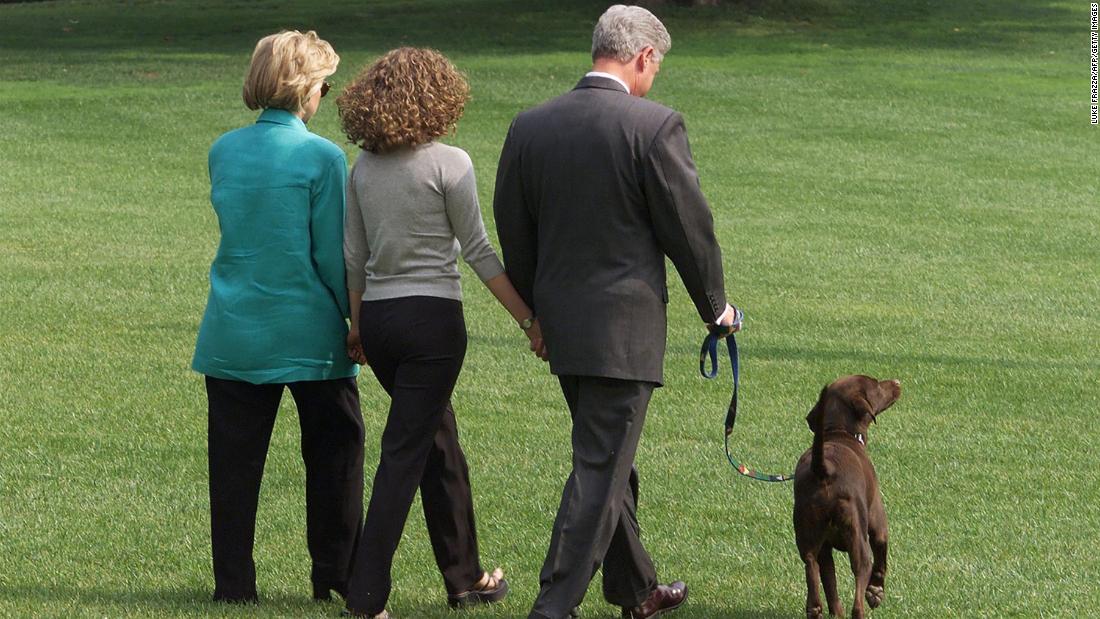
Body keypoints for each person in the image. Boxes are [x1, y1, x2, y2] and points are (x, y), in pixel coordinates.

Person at [492, 6, 741, 619]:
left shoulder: (531, 125)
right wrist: (717, 310)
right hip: (623, 334)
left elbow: (512, 226)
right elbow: (690, 229)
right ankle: (553, 605)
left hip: (563, 329)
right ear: (644, 57)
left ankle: (636, 591)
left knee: (607, 458)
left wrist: (535, 314)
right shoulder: (654, 127)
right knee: (602, 469)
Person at [337, 47, 544, 619]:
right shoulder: (451, 163)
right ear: (438, 98)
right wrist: (529, 321)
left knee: (436, 443)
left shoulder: (362, 168)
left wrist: (356, 325)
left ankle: (466, 578)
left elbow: (355, 256)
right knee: (404, 453)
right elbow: (478, 252)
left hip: (378, 323)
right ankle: (366, 596)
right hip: (432, 326)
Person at [191, 30, 364, 604]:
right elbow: (330, 255)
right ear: (306, 89)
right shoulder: (322, 156)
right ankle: (336, 579)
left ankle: (233, 587)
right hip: (309, 332)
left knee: (233, 469)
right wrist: (355, 321)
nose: (325, 95)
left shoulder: (223, 149)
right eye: (324, 85)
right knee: (335, 457)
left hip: (233, 329)